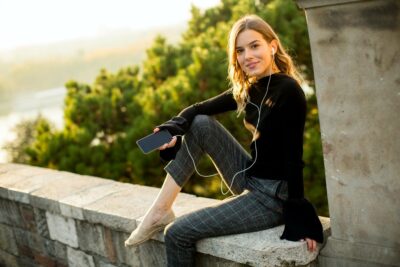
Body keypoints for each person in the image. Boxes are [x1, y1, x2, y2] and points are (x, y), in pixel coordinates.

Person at [125, 14, 323, 266]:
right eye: (240, 50)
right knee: (201, 124)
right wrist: (169, 131)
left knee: (177, 233)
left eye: (254, 46)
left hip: (271, 199)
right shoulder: (252, 87)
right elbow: (197, 109)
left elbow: (294, 158)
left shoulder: (289, 91)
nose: (247, 56)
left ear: (272, 47)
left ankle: (161, 217)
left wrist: (300, 216)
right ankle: (161, 209)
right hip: (250, 176)